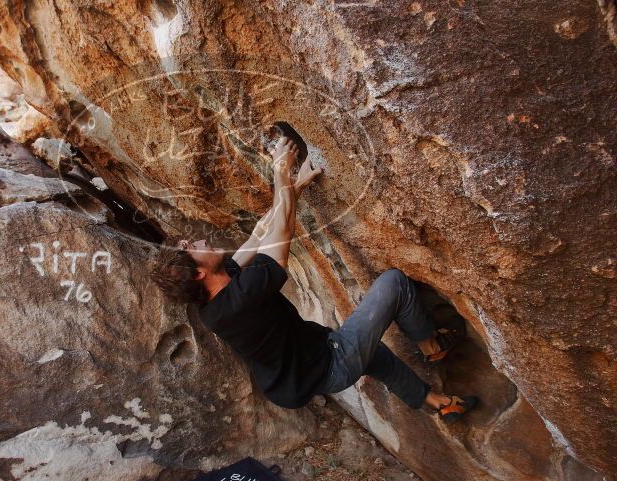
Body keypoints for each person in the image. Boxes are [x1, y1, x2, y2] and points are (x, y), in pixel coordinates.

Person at [151, 136, 478, 421]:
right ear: (198, 273)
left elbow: (260, 233)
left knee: (376, 357)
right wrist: (279, 170)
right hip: (331, 362)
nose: (198, 242)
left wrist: (297, 185)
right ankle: (432, 344)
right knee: (394, 283)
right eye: (192, 248)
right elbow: (281, 236)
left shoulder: (218, 294)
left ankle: (440, 404)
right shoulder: (240, 299)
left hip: (309, 370)